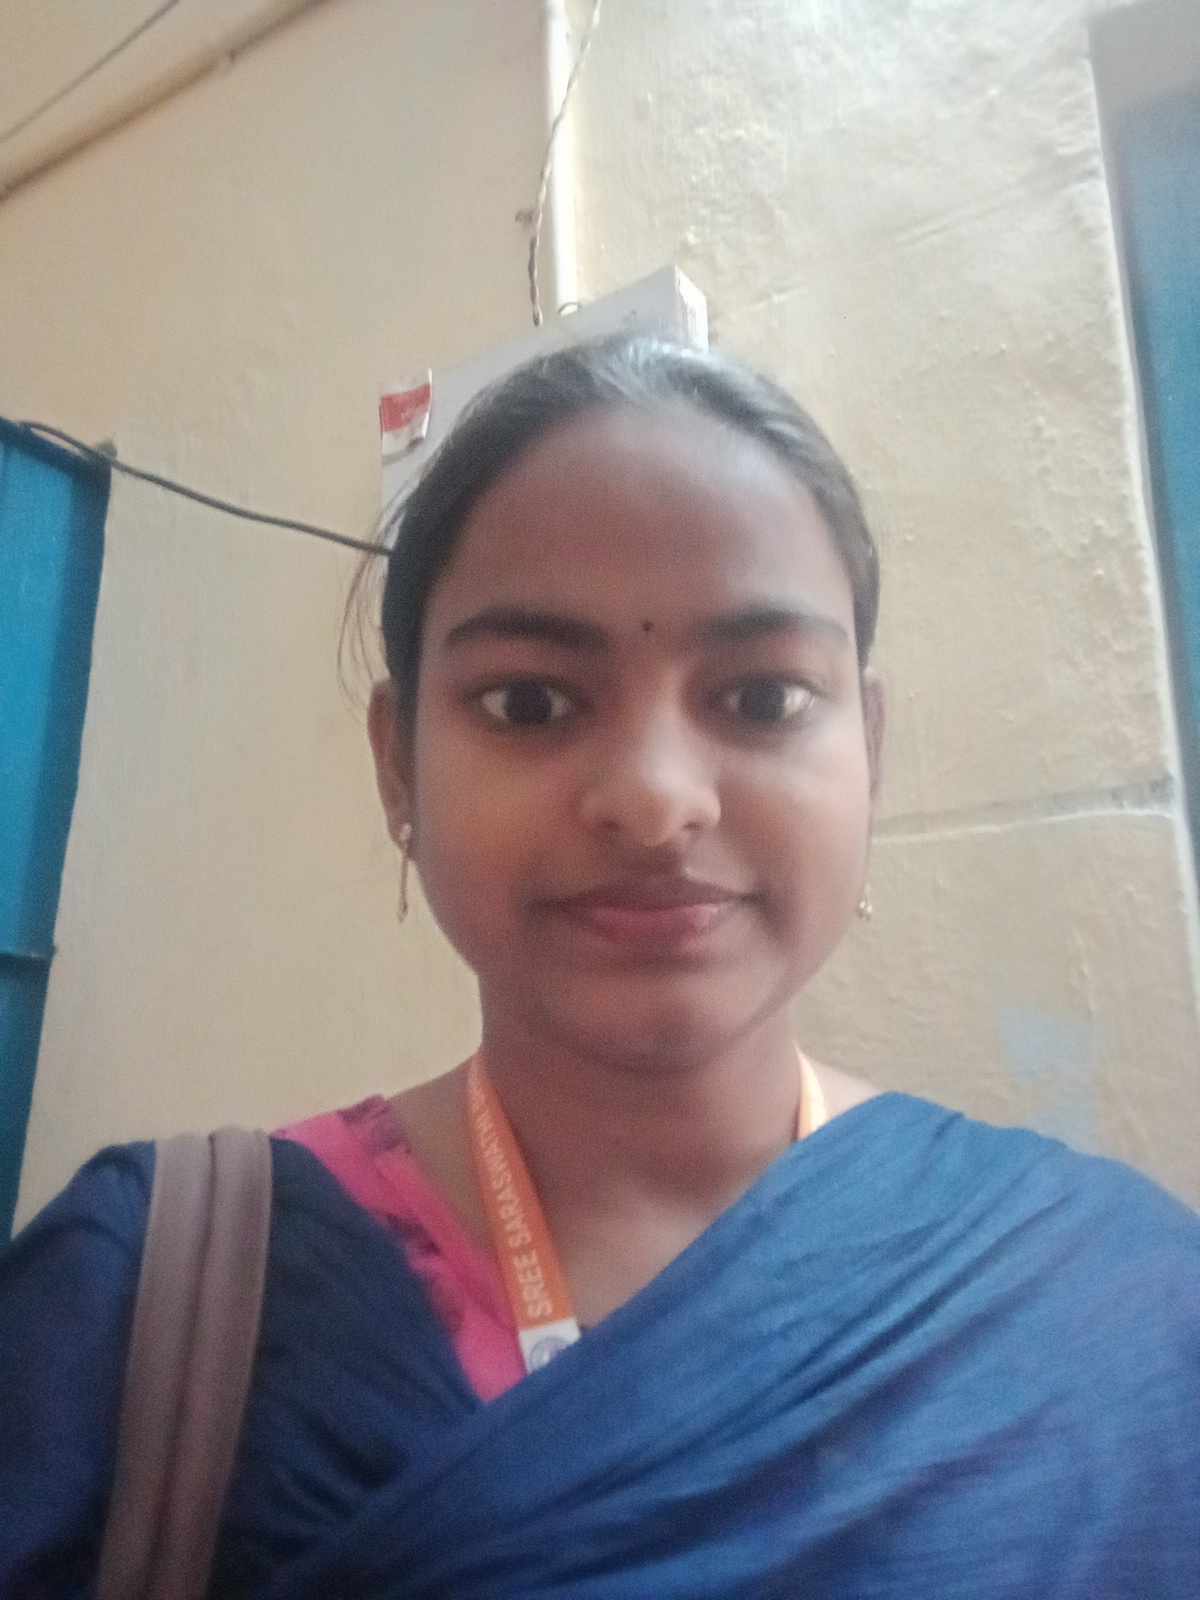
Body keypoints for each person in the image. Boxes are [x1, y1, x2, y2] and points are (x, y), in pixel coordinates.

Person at [1, 334, 1197, 1598]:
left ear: (872, 748)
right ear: (398, 764)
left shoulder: (1114, 1308)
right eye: (531, 702)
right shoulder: (147, 1305)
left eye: (763, 699)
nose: (655, 798)